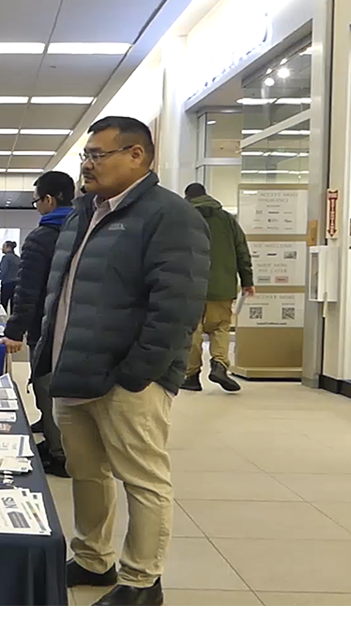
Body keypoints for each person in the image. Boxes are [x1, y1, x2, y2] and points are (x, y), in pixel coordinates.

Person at [32, 116, 209, 607]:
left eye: (97, 155)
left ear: (137, 155)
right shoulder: (82, 213)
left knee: (143, 478)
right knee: (86, 472)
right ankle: (93, 559)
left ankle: (142, 580)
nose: (87, 165)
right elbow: (64, 292)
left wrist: (139, 373)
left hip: (128, 379)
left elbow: (177, 306)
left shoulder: (169, 215)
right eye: (85, 156)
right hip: (74, 371)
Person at [4, 170, 76, 478]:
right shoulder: (88, 229)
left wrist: (14, 330)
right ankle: (56, 438)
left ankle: (60, 454)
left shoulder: (41, 237)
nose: (37, 208)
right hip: (82, 324)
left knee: (46, 384)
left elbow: (28, 289)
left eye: (36, 202)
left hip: (46, 326)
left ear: (49, 200)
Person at [181, 183, 254, 393]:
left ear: (187, 198)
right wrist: (247, 280)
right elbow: (242, 250)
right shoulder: (227, 219)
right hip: (223, 286)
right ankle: (219, 364)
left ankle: (192, 376)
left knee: (193, 330)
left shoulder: (184, 217)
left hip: (192, 285)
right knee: (221, 327)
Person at [0, 241, 21, 311]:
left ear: (9, 248)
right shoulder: (18, 258)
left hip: (7, 285)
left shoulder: (6, 258)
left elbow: (3, 272)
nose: (2, 249)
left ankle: (3, 318)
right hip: (17, 285)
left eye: (3, 247)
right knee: (14, 306)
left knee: (3, 306)